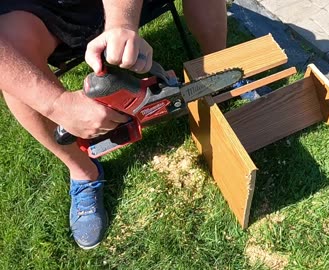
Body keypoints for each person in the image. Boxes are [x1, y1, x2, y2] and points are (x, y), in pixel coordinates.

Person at [0, 0, 227, 250]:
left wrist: (122, 23)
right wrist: (57, 104)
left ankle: (219, 72)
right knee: (17, 71)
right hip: (39, 12)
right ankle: (84, 171)